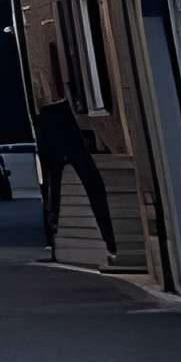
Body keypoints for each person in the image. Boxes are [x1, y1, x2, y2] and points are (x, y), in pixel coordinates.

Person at [33, 96, 115, 254]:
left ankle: (54, 224)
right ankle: (109, 241)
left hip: (53, 114)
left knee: (55, 182)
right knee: (87, 182)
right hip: (57, 114)